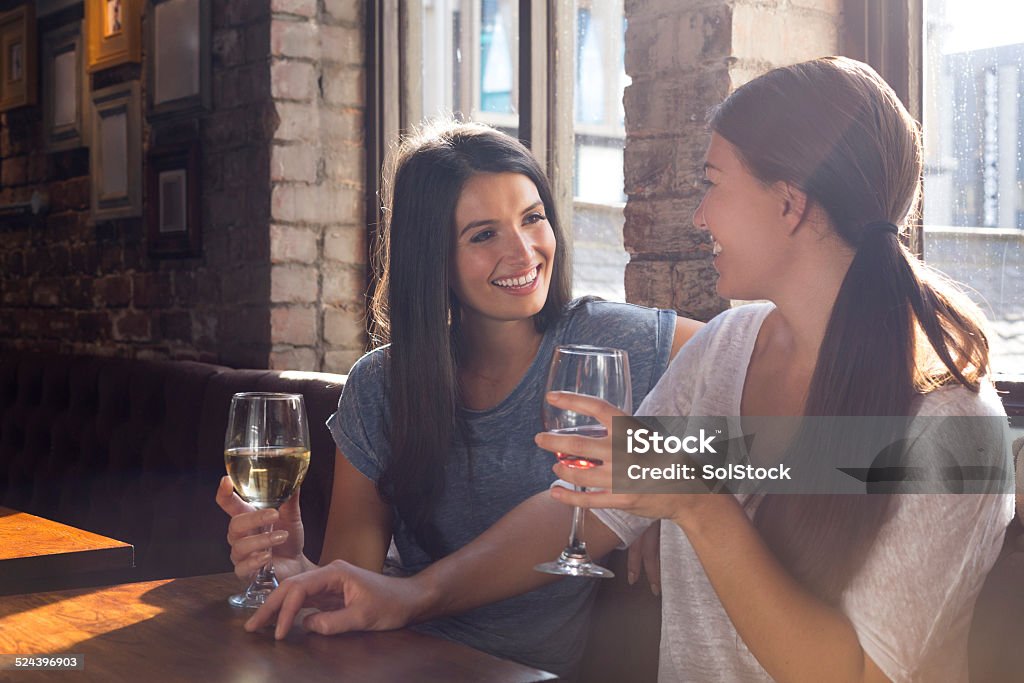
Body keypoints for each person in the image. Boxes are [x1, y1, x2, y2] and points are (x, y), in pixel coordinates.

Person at [243, 58, 1014, 682]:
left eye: (712, 183)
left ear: (790, 204)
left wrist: (701, 509)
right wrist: (413, 593)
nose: (699, 216)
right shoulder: (729, 351)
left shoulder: (953, 432)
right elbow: (597, 506)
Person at [216, 119, 702, 677]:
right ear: (433, 259)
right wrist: (293, 568)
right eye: (483, 234)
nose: (523, 252)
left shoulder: (615, 343)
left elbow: (802, 441)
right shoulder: (381, 384)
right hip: (394, 662)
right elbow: (352, 584)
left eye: (533, 217)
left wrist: (674, 497)